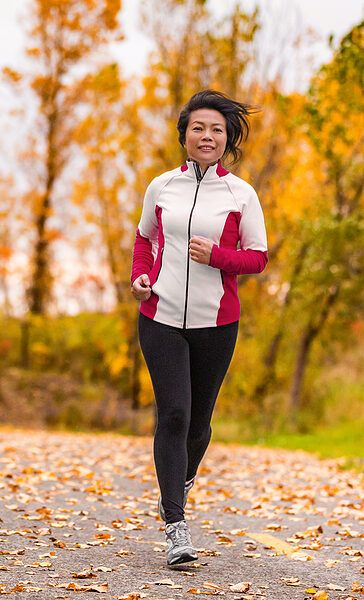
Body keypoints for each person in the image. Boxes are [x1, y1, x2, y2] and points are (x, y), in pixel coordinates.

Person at [130, 89, 268, 567]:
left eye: (216, 129)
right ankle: (175, 525)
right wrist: (140, 278)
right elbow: (145, 238)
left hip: (216, 323)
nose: (206, 136)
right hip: (160, 317)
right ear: (184, 134)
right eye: (197, 128)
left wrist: (218, 257)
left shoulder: (241, 194)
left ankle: (181, 477)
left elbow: (258, 258)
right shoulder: (162, 186)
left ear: (227, 137)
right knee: (173, 416)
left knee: (199, 425)